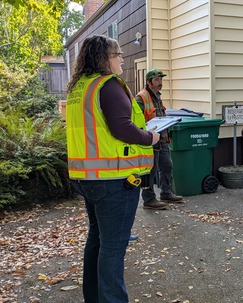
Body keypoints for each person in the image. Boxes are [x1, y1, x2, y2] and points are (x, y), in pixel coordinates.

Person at [65, 35, 160, 302]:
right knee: (114, 246)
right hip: (114, 179)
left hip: (87, 177)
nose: (121, 59)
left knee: (97, 240)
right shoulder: (108, 85)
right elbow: (122, 128)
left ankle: (94, 298)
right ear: (104, 58)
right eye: (118, 54)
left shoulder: (80, 88)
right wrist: (149, 137)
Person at [135, 69, 184, 210]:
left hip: (161, 139)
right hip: (150, 140)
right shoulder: (141, 98)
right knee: (151, 170)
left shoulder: (157, 96)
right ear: (148, 82)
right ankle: (149, 200)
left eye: (161, 79)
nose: (160, 82)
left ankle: (166, 193)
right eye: (156, 80)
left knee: (167, 166)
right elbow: (136, 120)